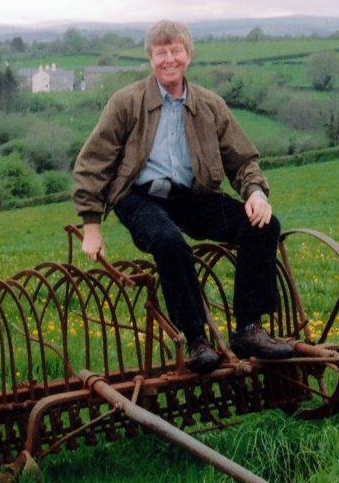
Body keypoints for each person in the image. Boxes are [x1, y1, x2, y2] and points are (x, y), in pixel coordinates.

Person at [72, 19, 295, 374]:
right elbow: (92, 163)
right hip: (139, 197)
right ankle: (196, 340)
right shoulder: (126, 103)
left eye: (176, 50)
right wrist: (92, 225)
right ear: (150, 58)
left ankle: (249, 329)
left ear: (188, 55)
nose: (169, 59)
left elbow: (242, 159)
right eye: (161, 52)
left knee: (262, 226)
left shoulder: (210, 105)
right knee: (169, 242)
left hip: (192, 196)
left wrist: (255, 193)